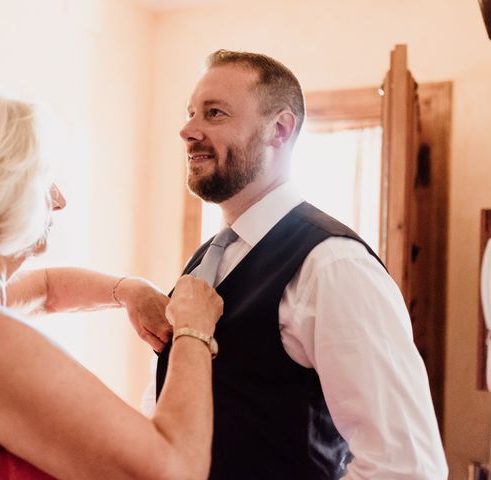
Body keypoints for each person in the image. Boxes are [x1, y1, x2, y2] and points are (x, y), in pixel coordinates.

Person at [0, 87, 223, 479]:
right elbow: (174, 469)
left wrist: (128, 290)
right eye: (44, 180)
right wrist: (193, 329)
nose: (59, 199)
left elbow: (47, 290)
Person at [154, 50, 449, 479]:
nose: (188, 129)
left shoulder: (332, 266)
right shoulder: (206, 259)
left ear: (279, 129)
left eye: (214, 113)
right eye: (191, 112)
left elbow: (406, 466)